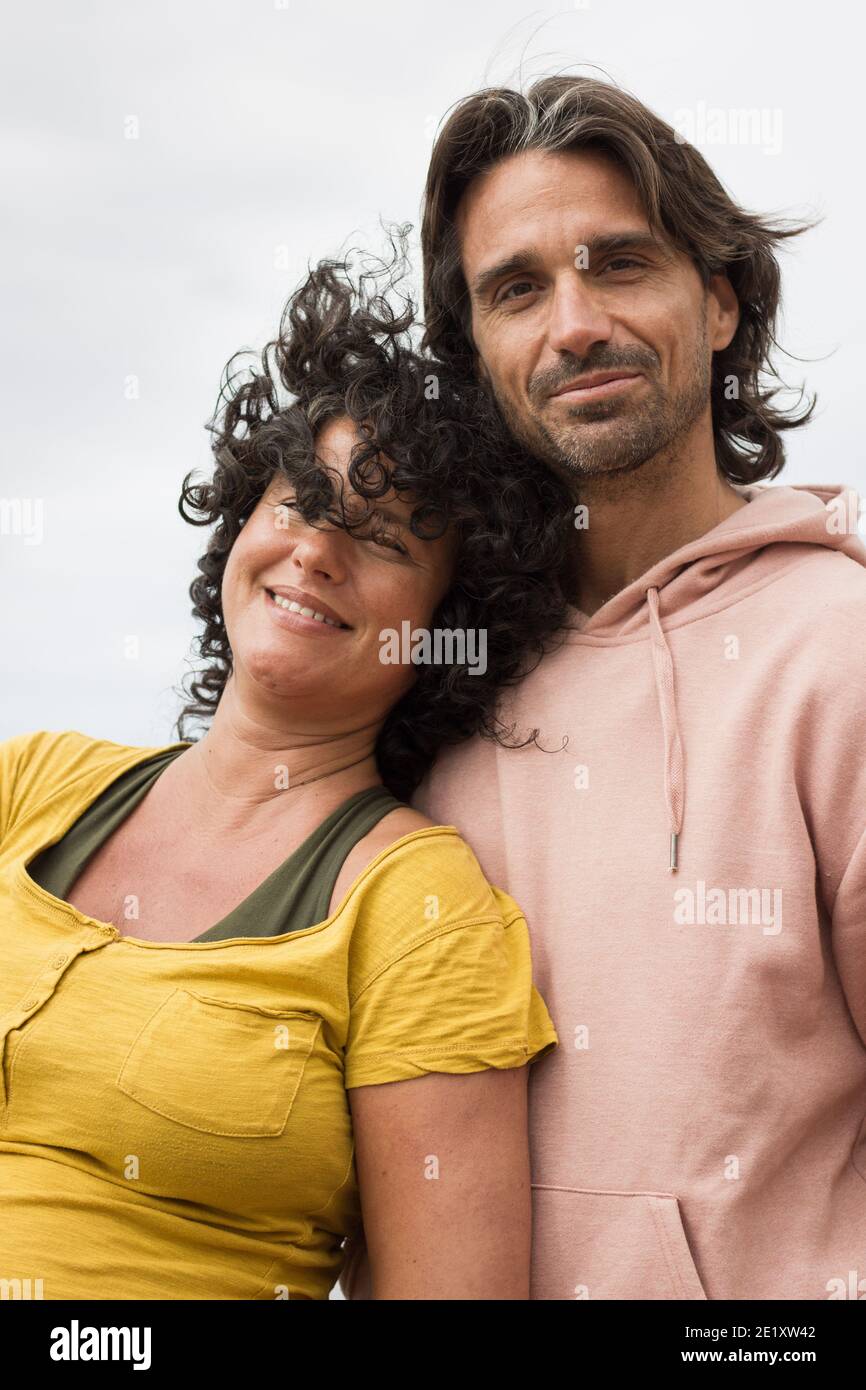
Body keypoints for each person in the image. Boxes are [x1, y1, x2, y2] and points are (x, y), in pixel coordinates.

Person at [341, 76, 866, 1302]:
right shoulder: (431, 674)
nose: (573, 324)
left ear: (720, 301)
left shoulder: (839, 650)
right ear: (472, 352)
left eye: (618, 264)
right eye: (515, 289)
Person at [0, 249, 575, 1300]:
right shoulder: (31, 784)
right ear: (237, 524)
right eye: (298, 501)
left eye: (384, 538)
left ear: (444, 630)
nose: (316, 550)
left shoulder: (418, 909)